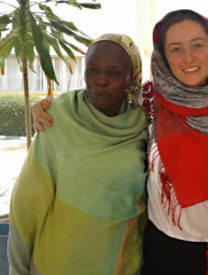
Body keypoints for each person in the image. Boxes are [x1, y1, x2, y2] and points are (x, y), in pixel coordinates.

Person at [32, 10, 208, 275]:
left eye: (197, 45)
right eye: (176, 49)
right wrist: (53, 107)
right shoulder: (148, 101)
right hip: (159, 248)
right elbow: (99, 96)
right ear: (163, 56)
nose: (188, 58)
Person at [8, 34, 148, 275]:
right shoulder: (57, 118)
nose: (100, 80)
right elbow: (26, 204)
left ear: (131, 78)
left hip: (121, 265)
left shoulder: (145, 127)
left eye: (113, 73)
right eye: (92, 70)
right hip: (55, 265)